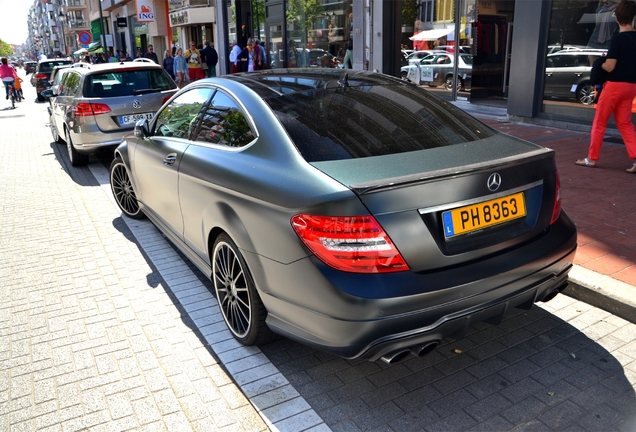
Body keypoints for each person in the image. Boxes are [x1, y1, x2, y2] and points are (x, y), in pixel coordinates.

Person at [576, 0, 636, 172]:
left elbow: (610, 66)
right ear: (633, 17)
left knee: (600, 122)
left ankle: (591, 159)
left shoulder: (618, 39)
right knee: (625, 123)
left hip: (615, 86)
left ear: (616, 19)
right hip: (631, 86)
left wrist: (601, 62)